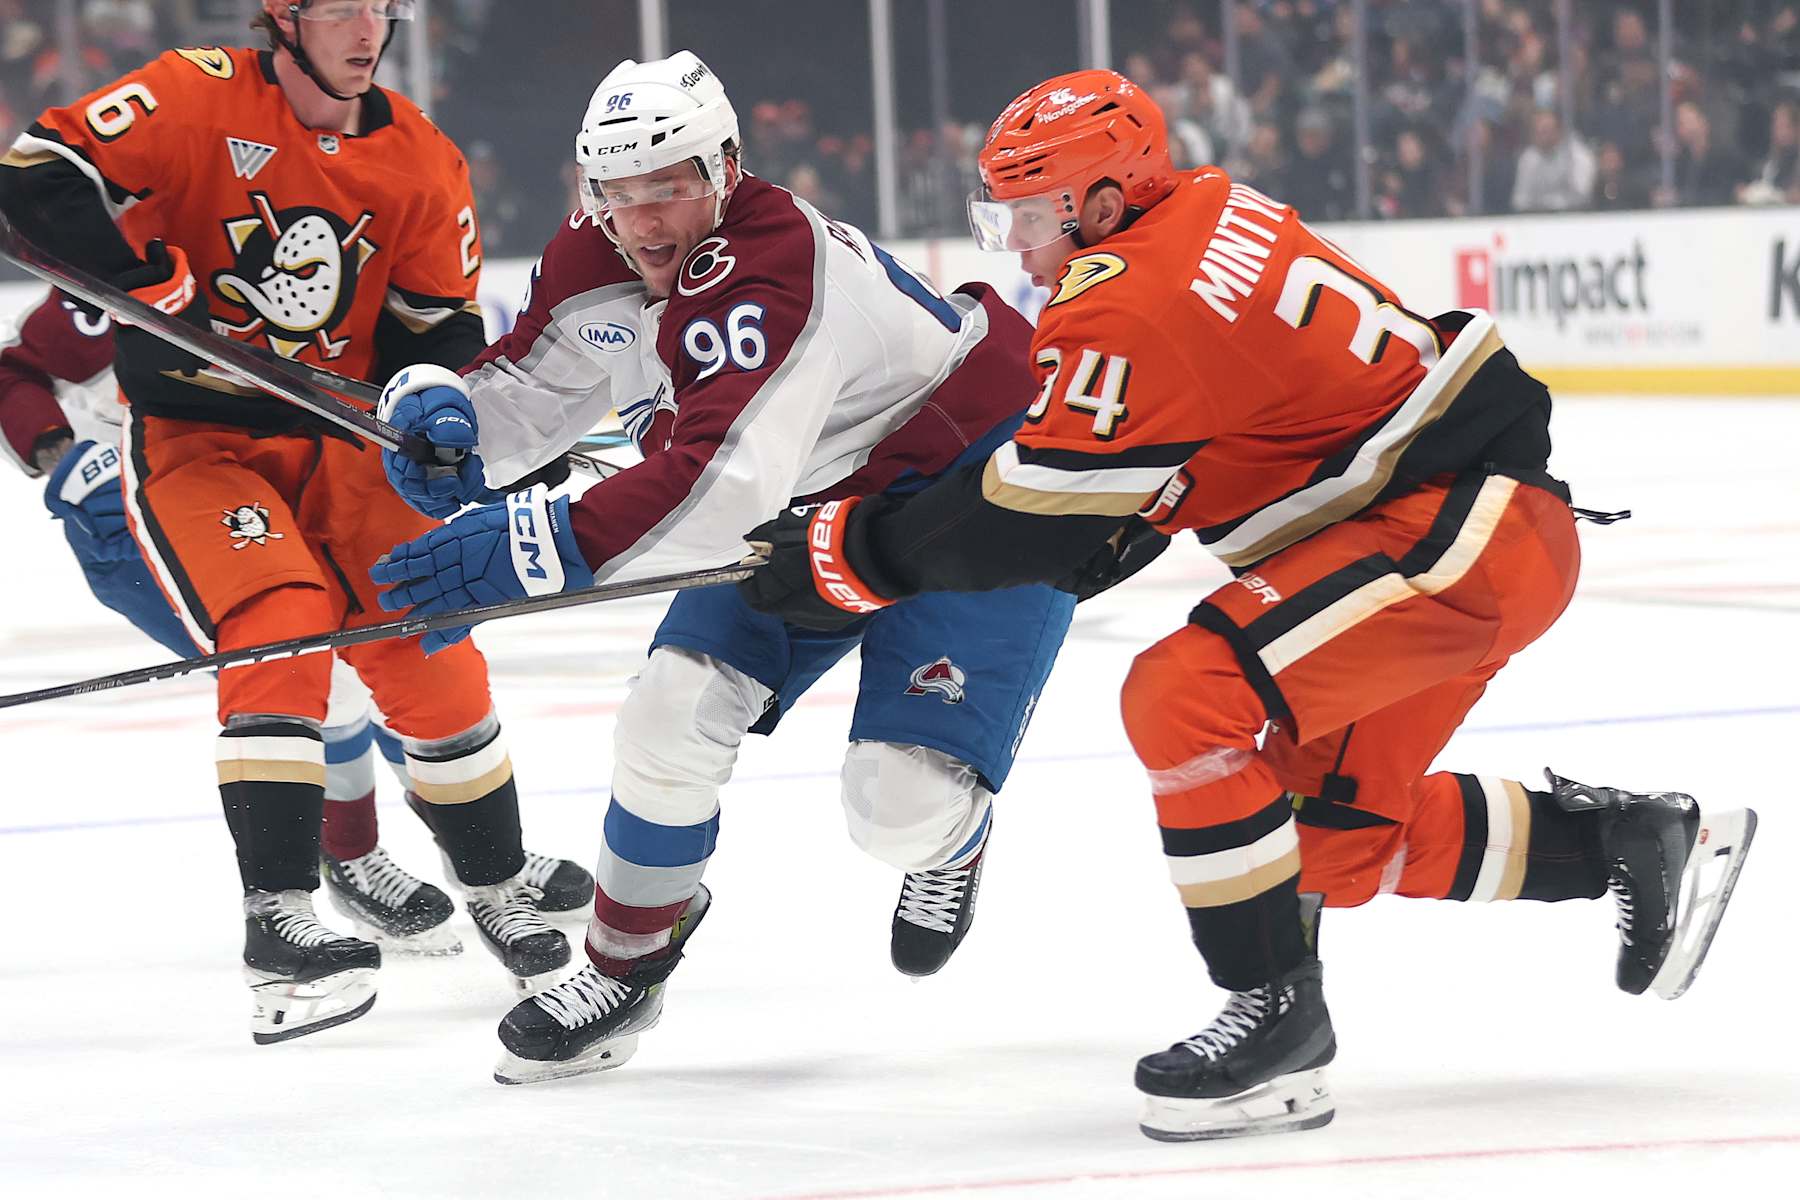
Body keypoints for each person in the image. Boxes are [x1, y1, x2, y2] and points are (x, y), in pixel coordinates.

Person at [735, 71, 1757, 1141]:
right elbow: (1218, 424)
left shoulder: (1125, 293)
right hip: (1441, 529)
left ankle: (1276, 1017)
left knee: (1185, 693)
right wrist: (1114, 525)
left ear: (1098, 201)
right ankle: (1629, 841)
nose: (1019, 247)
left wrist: (844, 552)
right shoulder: (1208, 206)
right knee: (1327, 847)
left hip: (1454, 531)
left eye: (1030, 217)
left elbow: (1021, 514)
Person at [363, 50, 1076, 1083]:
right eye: (620, 194)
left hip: (963, 486)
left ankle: (952, 843)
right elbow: (533, 387)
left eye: (674, 187)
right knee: (670, 707)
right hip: (805, 508)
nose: (647, 221)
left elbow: (719, 491)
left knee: (897, 811)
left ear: (727, 167)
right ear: (590, 191)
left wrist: (533, 546)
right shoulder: (591, 253)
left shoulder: (771, 260)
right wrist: (451, 421)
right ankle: (625, 966)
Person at [0, 0, 577, 1043]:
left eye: (379, 6)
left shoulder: (421, 158)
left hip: (343, 450)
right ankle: (280, 919)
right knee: (282, 625)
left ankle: (495, 884)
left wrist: (438, 414)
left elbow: (433, 330)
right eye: (341, 7)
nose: (368, 27)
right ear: (283, 15)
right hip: (200, 444)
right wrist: (141, 282)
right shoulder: (195, 92)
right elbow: (36, 174)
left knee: (432, 637)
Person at [0, 290, 596, 953]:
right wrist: (64, 455)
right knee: (311, 672)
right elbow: (10, 368)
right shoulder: (123, 279)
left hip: (285, 483)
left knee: (407, 658)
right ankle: (350, 853)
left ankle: (479, 857)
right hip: (147, 513)